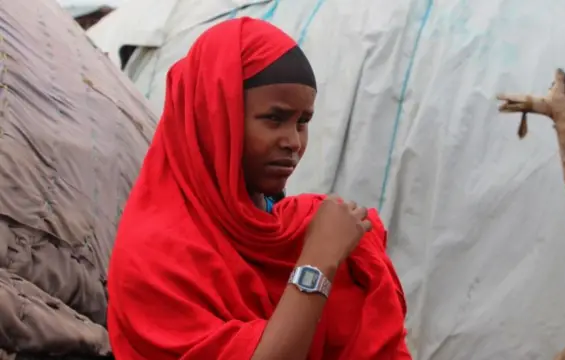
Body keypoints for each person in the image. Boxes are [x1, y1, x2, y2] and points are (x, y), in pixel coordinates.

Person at [106, 17, 411, 360]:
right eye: (274, 119)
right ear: (216, 116)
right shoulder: (154, 256)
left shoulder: (300, 227)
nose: (293, 142)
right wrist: (318, 261)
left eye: (303, 122)